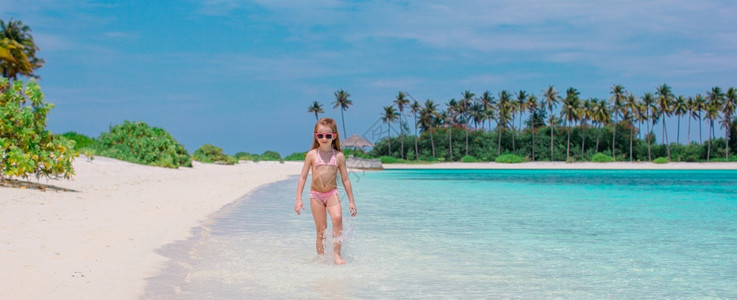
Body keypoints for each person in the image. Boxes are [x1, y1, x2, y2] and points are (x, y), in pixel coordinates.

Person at [295, 118, 357, 264]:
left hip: (331, 194)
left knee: (337, 219)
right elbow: (303, 177)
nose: (324, 138)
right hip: (315, 196)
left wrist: (351, 201)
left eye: (328, 136)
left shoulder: (339, 156)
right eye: (320, 135)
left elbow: (346, 180)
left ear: (334, 136)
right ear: (315, 135)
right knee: (321, 231)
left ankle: (336, 254)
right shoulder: (311, 155)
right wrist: (298, 198)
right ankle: (321, 258)